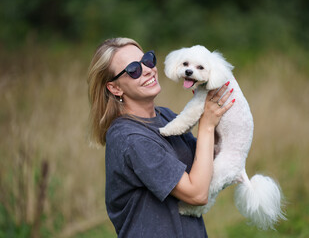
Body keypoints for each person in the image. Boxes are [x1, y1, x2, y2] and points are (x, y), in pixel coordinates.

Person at [87, 37, 234, 237]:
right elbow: (197, 193)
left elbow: (205, 166)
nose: (148, 69)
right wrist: (206, 125)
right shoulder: (130, 138)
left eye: (147, 60)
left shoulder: (165, 116)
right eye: (133, 69)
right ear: (115, 88)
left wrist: (212, 109)